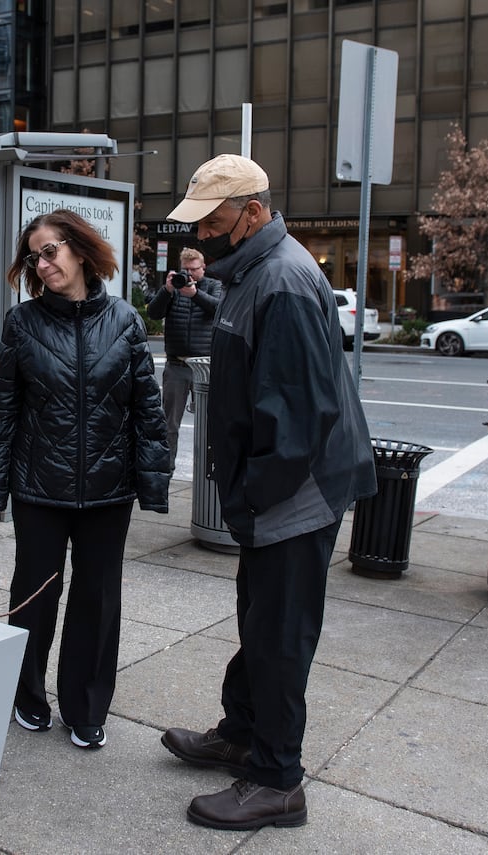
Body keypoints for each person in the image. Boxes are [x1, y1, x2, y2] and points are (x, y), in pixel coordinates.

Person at [159, 154, 376, 828]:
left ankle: (278, 778)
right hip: (278, 489)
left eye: (214, 222)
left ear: (252, 213)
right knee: (261, 618)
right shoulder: (256, 273)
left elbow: (299, 418)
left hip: (294, 492)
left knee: (279, 634)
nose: (203, 237)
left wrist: (250, 497)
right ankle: (244, 730)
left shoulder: (281, 280)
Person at [0, 209, 170, 751]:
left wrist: (152, 484)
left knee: (98, 598)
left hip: (109, 490)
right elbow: (3, 412)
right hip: (39, 486)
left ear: (81, 251)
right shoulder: (23, 324)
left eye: (50, 251)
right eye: (33, 257)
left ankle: (86, 707)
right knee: (35, 595)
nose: (42, 265)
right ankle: (27, 695)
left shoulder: (126, 321)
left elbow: (147, 410)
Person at [144, 248, 222, 472]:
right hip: (176, 365)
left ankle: (210, 471)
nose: (188, 274)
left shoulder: (213, 286)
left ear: (203, 268)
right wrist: (167, 290)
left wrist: (195, 294)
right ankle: (166, 471)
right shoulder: (174, 289)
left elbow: (218, 309)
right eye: (185, 270)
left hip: (205, 367)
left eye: (193, 270)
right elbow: (154, 314)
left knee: (210, 423)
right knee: (170, 424)